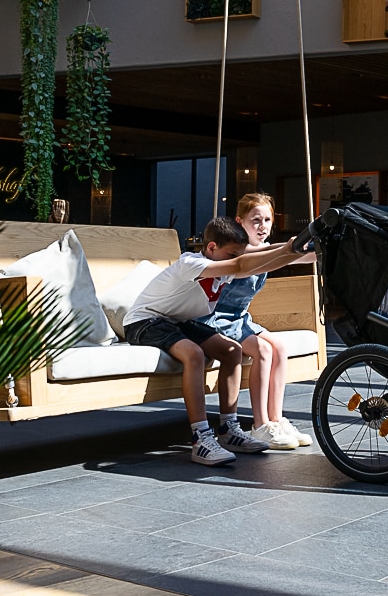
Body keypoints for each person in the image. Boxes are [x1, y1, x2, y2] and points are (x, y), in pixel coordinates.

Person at [123, 216, 311, 465]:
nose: (234, 259)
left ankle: (228, 430)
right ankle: (200, 437)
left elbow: (261, 264)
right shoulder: (192, 263)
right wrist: (287, 248)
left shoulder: (223, 262)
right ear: (211, 247)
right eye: (231, 254)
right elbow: (243, 265)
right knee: (194, 354)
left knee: (232, 350)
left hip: (177, 321)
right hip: (145, 321)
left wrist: (295, 249)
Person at [198, 193, 311, 451]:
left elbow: (291, 255)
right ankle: (260, 424)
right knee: (263, 349)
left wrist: (319, 250)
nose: (263, 226)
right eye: (255, 220)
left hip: (239, 319)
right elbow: (274, 253)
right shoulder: (240, 251)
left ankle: (276, 418)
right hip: (216, 319)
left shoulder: (265, 249)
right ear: (239, 222)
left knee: (279, 347)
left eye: (268, 220)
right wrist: (290, 248)